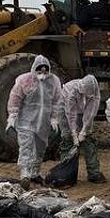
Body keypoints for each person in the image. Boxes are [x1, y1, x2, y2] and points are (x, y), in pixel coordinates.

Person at [6, 55, 64, 187]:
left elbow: (57, 100)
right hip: (26, 120)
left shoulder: (54, 81)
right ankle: (25, 174)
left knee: (40, 148)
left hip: (43, 121)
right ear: (34, 69)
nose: (42, 74)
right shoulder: (24, 80)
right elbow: (15, 98)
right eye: (39, 70)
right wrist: (13, 115)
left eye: (45, 71)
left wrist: (54, 118)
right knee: (26, 146)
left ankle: (35, 173)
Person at [57, 74, 105, 183]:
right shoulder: (72, 91)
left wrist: (83, 131)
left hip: (81, 112)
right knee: (67, 139)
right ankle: (66, 176)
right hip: (65, 110)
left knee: (88, 139)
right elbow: (71, 114)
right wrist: (74, 134)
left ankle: (94, 174)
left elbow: (90, 114)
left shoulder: (94, 94)